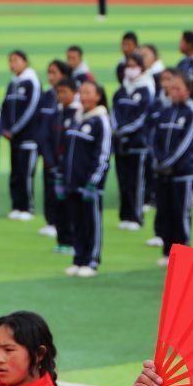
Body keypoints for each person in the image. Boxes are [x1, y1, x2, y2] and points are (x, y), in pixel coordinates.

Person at [147, 69, 193, 263]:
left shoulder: (192, 112)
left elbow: (186, 143)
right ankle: (167, 251)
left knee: (181, 213)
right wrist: (158, 161)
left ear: (188, 90)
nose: (174, 92)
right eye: (171, 88)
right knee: (164, 212)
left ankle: (183, 253)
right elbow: (154, 138)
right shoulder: (165, 111)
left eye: (178, 88)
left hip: (182, 173)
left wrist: (168, 162)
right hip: (162, 172)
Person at [61, 80, 111, 277]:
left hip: (89, 184)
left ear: (98, 96)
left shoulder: (101, 121)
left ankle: (91, 261)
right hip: (72, 182)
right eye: (81, 93)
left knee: (91, 222)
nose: (84, 97)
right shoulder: (77, 117)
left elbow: (103, 155)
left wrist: (93, 181)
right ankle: (78, 258)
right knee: (77, 222)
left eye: (88, 93)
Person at [112, 52, 155, 232]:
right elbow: (114, 112)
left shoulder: (146, 88)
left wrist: (124, 130)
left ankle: (136, 216)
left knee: (135, 181)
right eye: (127, 66)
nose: (129, 70)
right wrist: (117, 129)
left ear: (141, 68)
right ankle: (125, 215)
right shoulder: (122, 90)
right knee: (122, 179)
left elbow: (142, 116)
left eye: (133, 66)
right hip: (121, 142)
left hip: (138, 142)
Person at [36, 59, 73, 244]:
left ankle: (64, 227)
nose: (50, 76)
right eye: (49, 72)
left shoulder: (70, 102)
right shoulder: (46, 95)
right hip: (47, 151)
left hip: (63, 156)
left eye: (54, 72)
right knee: (49, 186)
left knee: (63, 191)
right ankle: (51, 221)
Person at [2, 50, 41, 220]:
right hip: (14, 138)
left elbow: (31, 110)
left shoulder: (32, 82)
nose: (12, 64)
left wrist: (14, 129)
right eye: (10, 61)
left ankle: (28, 208)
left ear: (25, 61)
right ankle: (17, 206)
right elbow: (5, 106)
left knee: (26, 174)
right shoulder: (13, 83)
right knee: (16, 173)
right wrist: (4, 128)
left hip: (28, 138)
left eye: (16, 60)